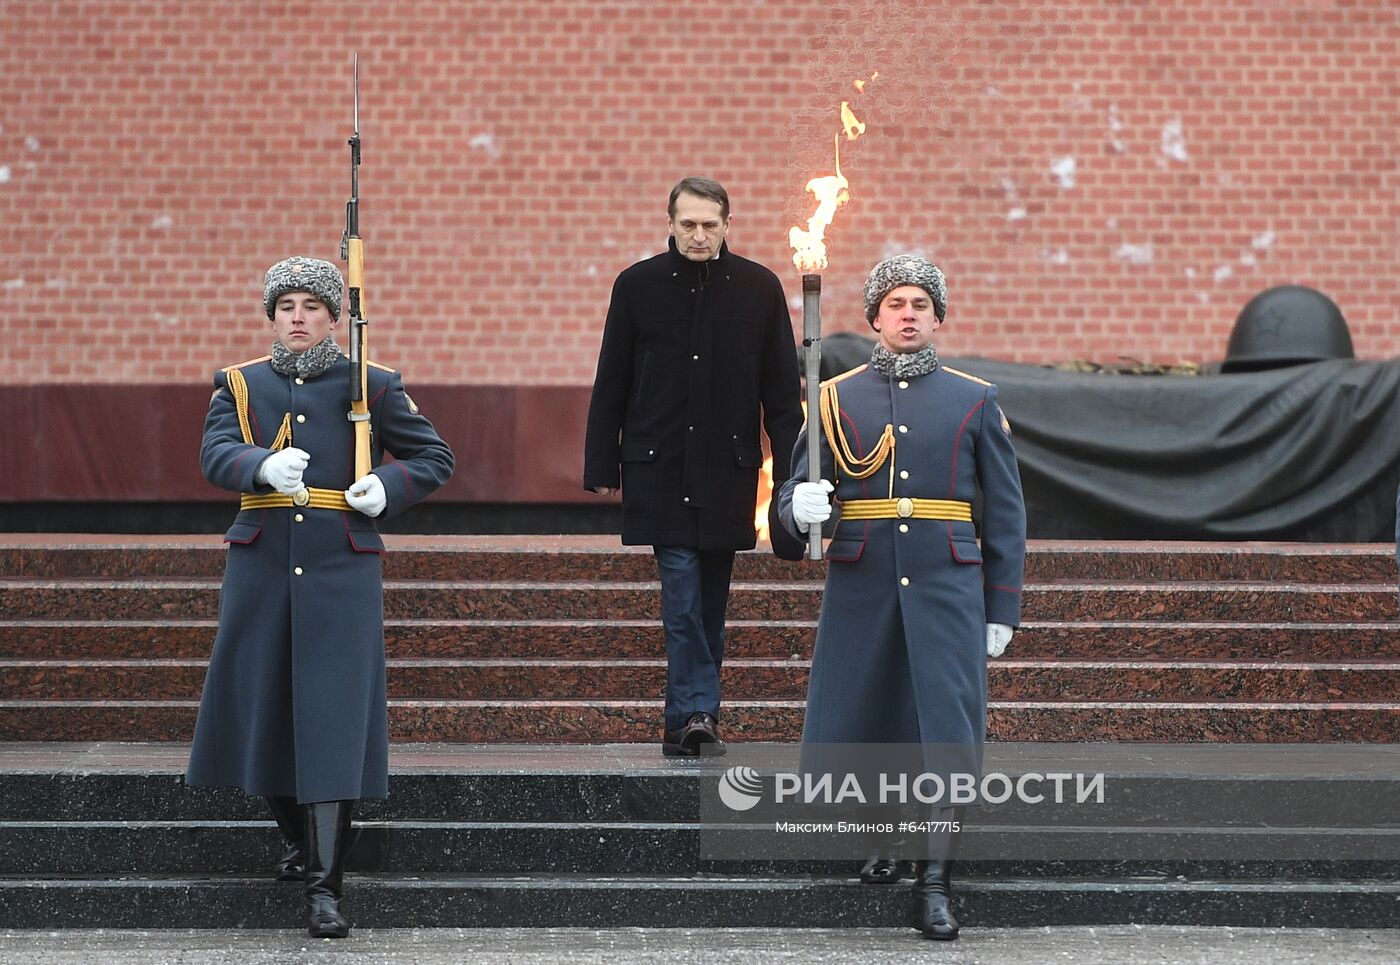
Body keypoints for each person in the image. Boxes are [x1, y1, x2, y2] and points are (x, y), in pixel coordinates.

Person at [185, 256, 454, 938]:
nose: (298, 317)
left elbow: (434, 458)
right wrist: (260, 465)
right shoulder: (240, 384)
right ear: (271, 316)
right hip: (262, 566)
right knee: (263, 709)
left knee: (332, 721)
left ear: (335, 317)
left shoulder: (372, 384)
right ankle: (300, 842)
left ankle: (324, 891)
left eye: (311, 306)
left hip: (340, 569)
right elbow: (215, 453)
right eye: (286, 306)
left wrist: (387, 487)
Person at [777, 254, 1025, 941]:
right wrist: (799, 508)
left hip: (947, 584)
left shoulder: (976, 398)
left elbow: (1006, 513)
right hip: (864, 582)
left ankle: (935, 882)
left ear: (938, 316)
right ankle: (882, 834)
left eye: (920, 303)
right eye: (895, 303)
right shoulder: (835, 398)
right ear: (875, 318)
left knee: (946, 732)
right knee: (871, 716)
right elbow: (792, 498)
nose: (908, 314)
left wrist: (1001, 606)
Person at [584, 176, 804, 756]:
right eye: (688, 224)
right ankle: (699, 713)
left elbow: (782, 395)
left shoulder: (759, 289)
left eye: (709, 225)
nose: (699, 235)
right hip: (659, 467)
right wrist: (601, 463)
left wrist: (792, 477)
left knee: (709, 602)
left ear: (728, 225)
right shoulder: (637, 286)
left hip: (727, 471)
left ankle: (683, 723)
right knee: (682, 594)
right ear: (670, 224)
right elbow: (613, 378)